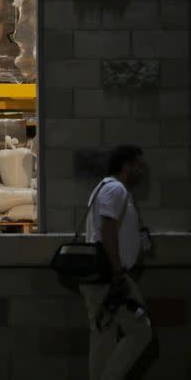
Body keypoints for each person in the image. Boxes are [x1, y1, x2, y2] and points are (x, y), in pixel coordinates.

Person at [81, 145, 153, 380]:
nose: (141, 171)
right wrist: (117, 273)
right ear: (127, 166)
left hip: (100, 276)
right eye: (138, 165)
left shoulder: (105, 188)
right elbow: (108, 231)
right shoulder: (115, 189)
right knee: (141, 332)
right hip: (111, 276)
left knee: (103, 337)